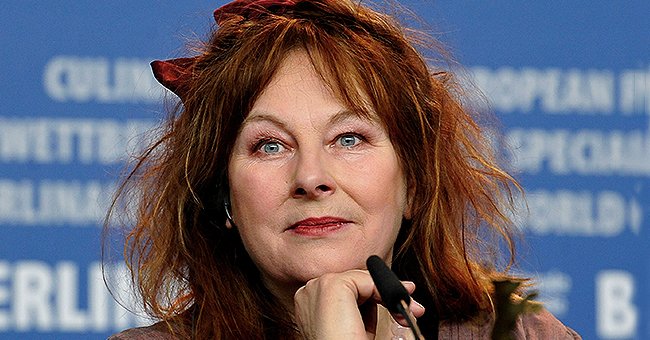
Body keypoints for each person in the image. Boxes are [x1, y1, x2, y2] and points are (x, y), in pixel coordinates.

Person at [107, 0, 581, 338]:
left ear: (415, 181)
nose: (311, 177)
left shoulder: (517, 331)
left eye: (349, 139)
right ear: (222, 195)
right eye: (270, 145)